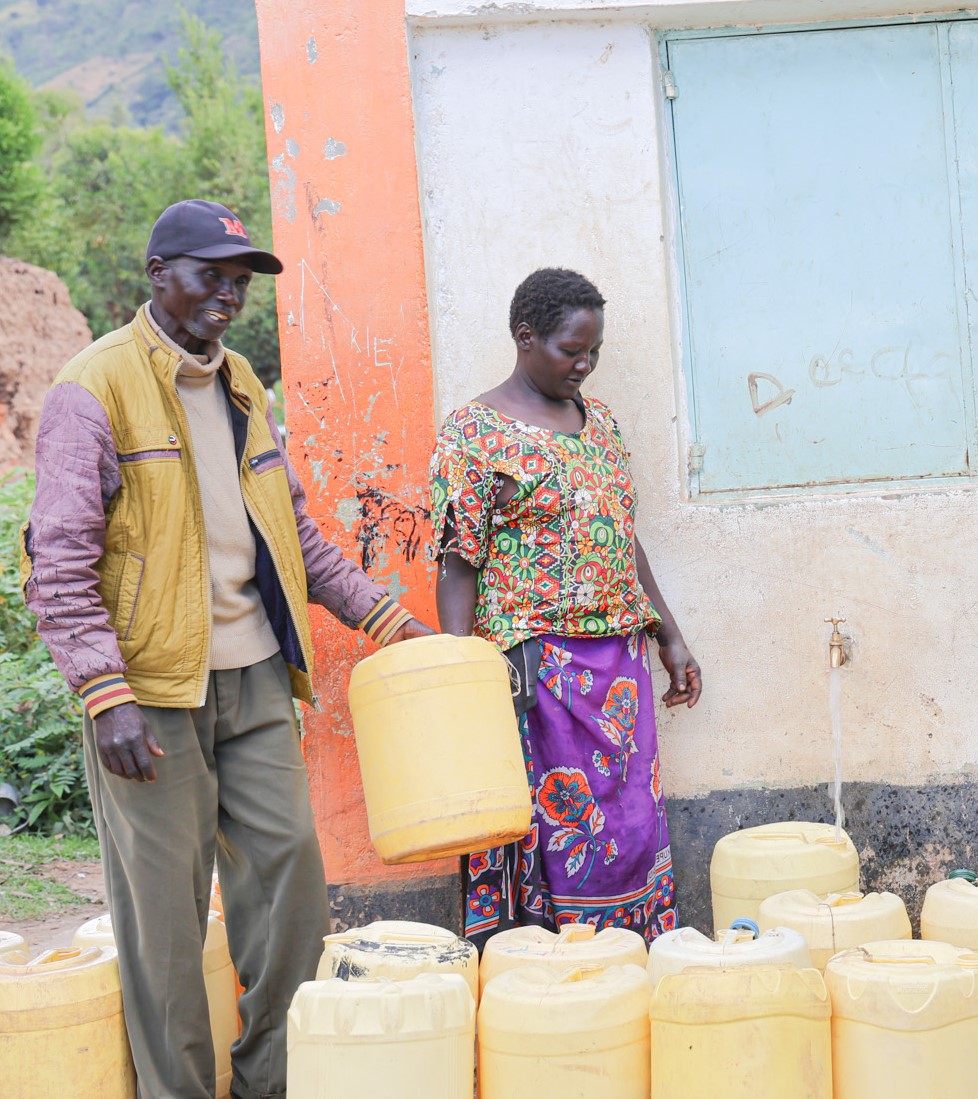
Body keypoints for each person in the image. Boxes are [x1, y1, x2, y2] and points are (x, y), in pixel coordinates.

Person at [24, 198, 435, 1098]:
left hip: (253, 675)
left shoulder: (243, 382)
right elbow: (56, 563)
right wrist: (104, 694)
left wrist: (383, 617)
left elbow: (292, 529)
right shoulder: (92, 389)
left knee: (291, 884)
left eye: (240, 280)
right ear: (157, 273)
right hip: (148, 693)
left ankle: (268, 1083)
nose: (229, 294)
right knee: (166, 922)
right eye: (211, 274)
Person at [431, 267, 701, 948]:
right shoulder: (474, 433)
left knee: (628, 824)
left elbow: (620, 533)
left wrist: (669, 635)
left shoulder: (600, 423)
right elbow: (458, 562)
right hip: (534, 669)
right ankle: (544, 970)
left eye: (594, 352)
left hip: (619, 669)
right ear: (526, 337)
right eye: (570, 350)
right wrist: (461, 680)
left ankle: (625, 960)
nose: (584, 365)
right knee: (549, 831)